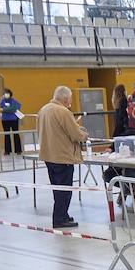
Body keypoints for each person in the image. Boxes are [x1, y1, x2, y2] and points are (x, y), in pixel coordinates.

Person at [38, 85, 88, 230]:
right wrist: (84, 135)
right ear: (66, 98)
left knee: (57, 189)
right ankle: (59, 219)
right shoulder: (63, 111)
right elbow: (75, 134)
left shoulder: (43, 110)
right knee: (64, 190)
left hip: (49, 155)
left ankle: (62, 214)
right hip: (63, 157)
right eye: (70, 98)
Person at [0, 89, 23, 155]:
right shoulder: (1, 101)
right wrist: (10, 109)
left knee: (16, 134)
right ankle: (7, 151)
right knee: (6, 135)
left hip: (14, 119)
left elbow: (17, 107)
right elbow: (1, 109)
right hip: (5, 120)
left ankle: (18, 150)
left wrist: (5, 109)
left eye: (7, 93)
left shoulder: (14, 100)